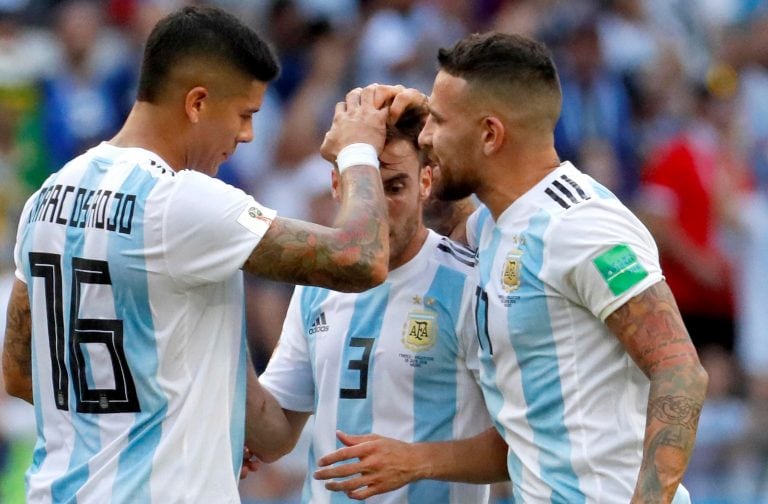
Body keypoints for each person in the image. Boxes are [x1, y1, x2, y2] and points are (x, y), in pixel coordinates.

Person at [2, 6, 392, 503]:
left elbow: (19, 372)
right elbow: (360, 258)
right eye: (245, 114)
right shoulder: (182, 202)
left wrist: (202, 420)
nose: (248, 135)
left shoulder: (48, 197)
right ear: (197, 103)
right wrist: (358, 150)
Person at [326, 32, 709, 503]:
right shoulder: (496, 223)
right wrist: (407, 119)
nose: (426, 137)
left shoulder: (582, 226)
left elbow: (679, 371)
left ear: (490, 134)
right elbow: (421, 223)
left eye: (438, 122)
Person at [250, 107, 508, 503]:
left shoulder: (472, 286)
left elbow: (525, 441)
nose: (379, 208)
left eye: (395, 187)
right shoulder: (317, 285)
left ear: (425, 182)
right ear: (337, 185)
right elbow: (278, 429)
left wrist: (418, 461)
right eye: (365, 188)